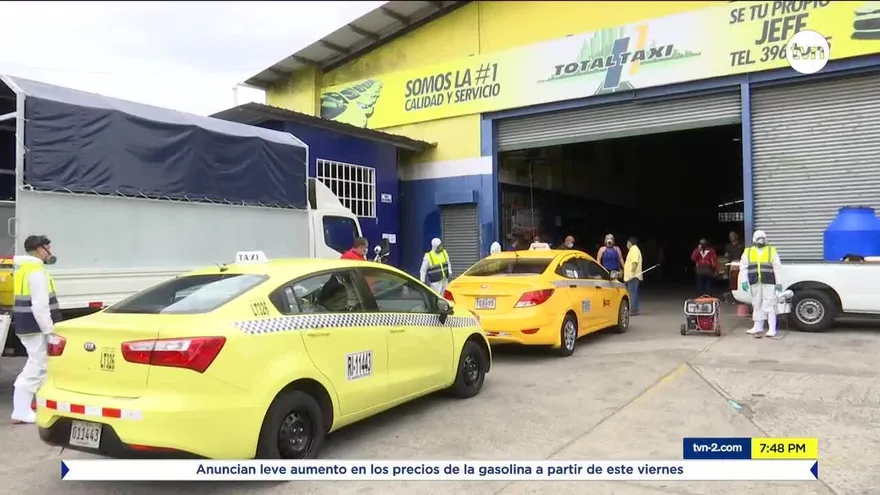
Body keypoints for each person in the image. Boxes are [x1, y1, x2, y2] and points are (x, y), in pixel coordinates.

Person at [11, 235, 62, 425]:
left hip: (27, 325)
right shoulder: (36, 272)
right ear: (41, 249)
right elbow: (40, 306)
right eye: (49, 247)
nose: (51, 251)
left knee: (42, 364)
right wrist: (50, 331)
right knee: (37, 365)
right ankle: (21, 411)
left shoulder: (25, 269)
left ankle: (36, 405)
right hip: (36, 327)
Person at [741, 230, 782, 338]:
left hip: (768, 281)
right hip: (755, 281)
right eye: (759, 237)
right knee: (756, 303)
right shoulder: (748, 252)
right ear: (754, 239)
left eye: (763, 237)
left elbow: (777, 267)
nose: (761, 240)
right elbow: (743, 267)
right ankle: (757, 326)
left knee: (769, 304)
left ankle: (772, 329)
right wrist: (744, 281)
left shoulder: (771, 250)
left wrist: (778, 282)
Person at [624, 236, 643, 316]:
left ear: (630, 243)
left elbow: (634, 262)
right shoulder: (633, 250)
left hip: (633, 276)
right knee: (633, 293)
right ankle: (634, 309)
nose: (626, 245)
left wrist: (632, 273)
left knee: (632, 293)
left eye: (627, 243)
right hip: (632, 276)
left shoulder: (634, 250)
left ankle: (634, 310)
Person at [724, 231, 744, 302]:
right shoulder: (728, 246)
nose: (731, 237)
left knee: (740, 281)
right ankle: (733, 298)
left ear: (736, 236)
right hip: (732, 266)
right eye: (730, 236)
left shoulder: (741, 245)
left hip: (740, 265)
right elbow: (726, 256)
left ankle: (740, 298)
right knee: (732, 282)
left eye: (733, 235)